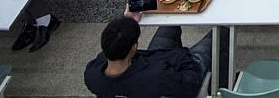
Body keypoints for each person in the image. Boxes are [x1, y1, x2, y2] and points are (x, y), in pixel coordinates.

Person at [84, 11, 213, 98]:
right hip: (183, 71)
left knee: (168, 23)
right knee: (219, 34)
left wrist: (128, 21)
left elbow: (117, 42)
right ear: (134, 48)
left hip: (155, 60)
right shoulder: (157, 78)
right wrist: (182, 57)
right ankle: (220, 86)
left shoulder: (92, 74)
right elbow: (190, 82)